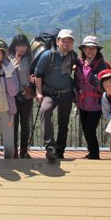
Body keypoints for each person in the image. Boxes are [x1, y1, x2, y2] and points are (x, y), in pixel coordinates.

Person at [34, 29, 78, 161]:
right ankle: (50, 147)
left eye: (69, 41)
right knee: (44, 111)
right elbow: (38, 74)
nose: (66, 43)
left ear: (73, 43)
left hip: (66, 94)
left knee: (63, 123)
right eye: (63, 41)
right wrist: (39, 92)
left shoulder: (73, 56)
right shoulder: (48, 55)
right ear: (57, 42)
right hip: (50, 93)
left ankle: (60, 150)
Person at [74, 36, 110, 160]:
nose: (90, 50)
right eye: (87, 48)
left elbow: (97, 84)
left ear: (97, 49)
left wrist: (88, 69)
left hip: (96, 103)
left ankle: (95, 155)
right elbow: (77, 81)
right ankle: (92, 152)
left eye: (92, 48)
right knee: (85, 129)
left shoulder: (101, 65)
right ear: (83, 49)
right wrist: (76, 97)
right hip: (83, 102)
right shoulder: (79, 62)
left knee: (90, 130)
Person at [8, 34, 34, 158]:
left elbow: (35, 72)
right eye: (19, 45)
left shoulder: (30, 58)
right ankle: (14, 151)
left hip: (27, 94)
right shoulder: (8, 58)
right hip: (13, 95)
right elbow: (5, 75)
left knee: (25, 124)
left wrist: (32, 79)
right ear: (14, 45)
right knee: (13, 124)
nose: (22, 48)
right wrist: (13, 66)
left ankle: (24, 150)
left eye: (24, 45)